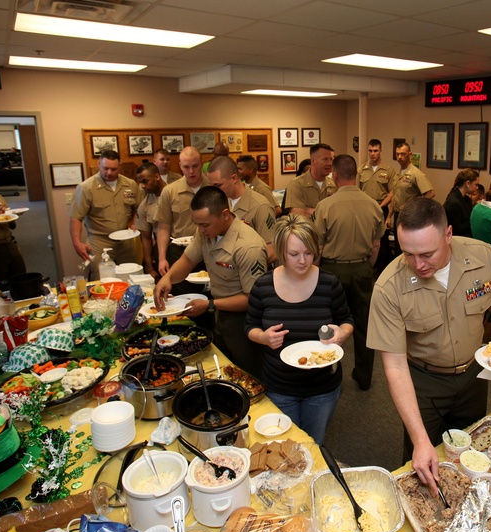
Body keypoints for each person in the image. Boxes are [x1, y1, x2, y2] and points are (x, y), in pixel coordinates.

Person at [368, 198, 491, 492]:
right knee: (423, 463)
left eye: (427, 253)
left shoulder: (482, 256)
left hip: (475, 374)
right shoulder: (389, 287)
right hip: (424, 383)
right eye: (408, 254)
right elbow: (395, 366)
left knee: (473, 455)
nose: (418, 264)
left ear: (448, 234)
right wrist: (420, 439)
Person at [245, 216, 353, 444]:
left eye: (309, 253)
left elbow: (346, 319)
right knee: (283, 446)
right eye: (294, 254)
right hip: (279, 386)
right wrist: (263, 338)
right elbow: (250, 326)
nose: (303, 261)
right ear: (281, 252)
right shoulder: (263, 286)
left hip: (323, 387)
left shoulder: (329, 282)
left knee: (314, 443)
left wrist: (343, 333)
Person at [154, 186, 269, 377]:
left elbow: (253, 299)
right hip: (221, 315)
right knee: (225, 369)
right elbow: (187, 260)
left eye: (204, 225)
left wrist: (209, 305)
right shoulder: (206, 232)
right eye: (197, 224)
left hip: (245, 322)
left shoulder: (249, 247)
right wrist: (167, 279)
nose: (200, 230)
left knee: (248, 374)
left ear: (225, 215)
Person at [313, 154, 385, 391]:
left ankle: (327, 371)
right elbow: (376, 245)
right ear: (356, 175)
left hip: (333, 270)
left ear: (334, 175)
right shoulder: (374, 205)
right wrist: (367, 267)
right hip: (363, 269)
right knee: (364, 325)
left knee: (328, 324)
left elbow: (318, 248)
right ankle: (364, 377)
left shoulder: (325, 206)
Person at [69, 151, 143, 273]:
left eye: (113, 169)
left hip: (126, 240)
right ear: (99, 164)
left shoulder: (130, 184)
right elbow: (76, 217)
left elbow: (139, 208)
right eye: (105, 168)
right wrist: (77, 243)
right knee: (103, 280)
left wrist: (135, 222)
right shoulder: (86, 188)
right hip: (99, 242)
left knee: (132, 276)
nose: (109, 173)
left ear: (120, 166)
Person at [207, 155, 277, 263]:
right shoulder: (222, 203)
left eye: (218, 186)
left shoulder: (260, 206)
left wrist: (239, 265)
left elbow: (272, 250)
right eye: (211, 186)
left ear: (234, 178)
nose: (213, 191)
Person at [155, 146, 205, 277]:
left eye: (195, 166)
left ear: (202, 164)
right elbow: (163, 227)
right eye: (186, 167)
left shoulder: (214, 188)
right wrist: (162, 258)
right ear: (180, 166)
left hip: (209, 250)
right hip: (180, 252)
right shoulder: (170, 191)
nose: (191, 171)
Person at [390, 142, 434, 229]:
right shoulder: (398, 175)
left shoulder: (416, 173)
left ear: (410, 154)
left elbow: (431, 193)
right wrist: (388, 217)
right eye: (397, 154)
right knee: (397, 242)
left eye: (403, 154)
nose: (399, 157)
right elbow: (394, 197)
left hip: (410, 215)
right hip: (397, 214)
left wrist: (413, 204)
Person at [284, 143, 336, 217]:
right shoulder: (297, 184)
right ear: (313, 161)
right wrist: (328, 213)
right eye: (325, 159)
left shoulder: (334, 185)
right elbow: (298, 217)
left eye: (331, 159)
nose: (330, 163)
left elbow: (338, 214)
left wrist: (310, 211)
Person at [135, 163, 167, 278]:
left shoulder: (174, 193)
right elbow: (146, 237)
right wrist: (149, 267)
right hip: (160, 251)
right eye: (140, 182)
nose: (142, 186)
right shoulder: (145, 205)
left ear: (157, 177)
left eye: (145, 181)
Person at [358, 139, 395, 218]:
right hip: (365, 208)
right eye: (370, 151)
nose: (372, 154)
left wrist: (380, 206)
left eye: (375, 151)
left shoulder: (388, 170)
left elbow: (392, 193)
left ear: (380, 151)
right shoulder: (361, 170)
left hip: (381, 208)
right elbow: (356, 190)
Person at [443, 168, 478, 238]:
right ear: (468, 183)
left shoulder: (467, 200)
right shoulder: (453, 203)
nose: (477, 187)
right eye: (476, 184)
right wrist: (474, 220)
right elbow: (456, 230)